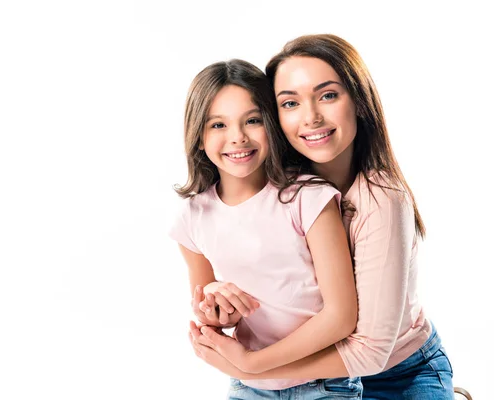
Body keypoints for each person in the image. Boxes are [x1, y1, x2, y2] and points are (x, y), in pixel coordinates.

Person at [188, 34, 455, 399]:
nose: (311, 117)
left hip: (395, 372)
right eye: (290, 102)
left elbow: (372, 351)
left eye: (328, 95)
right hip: (314, 374)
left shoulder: (380, 199)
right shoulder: (275, 186)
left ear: (359, 102)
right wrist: (224, 309)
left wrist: (253, 364)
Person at [169, 58, 363, 398]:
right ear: (198, 137)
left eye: (253, 121)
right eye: (218, 125)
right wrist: (215, 308)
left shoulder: (309, 199)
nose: (238, 138)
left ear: (271, 125)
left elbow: (341, 316)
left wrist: (256, 361)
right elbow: (211, 315)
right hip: (249, 388)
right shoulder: (192, 218)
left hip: (323, 386)